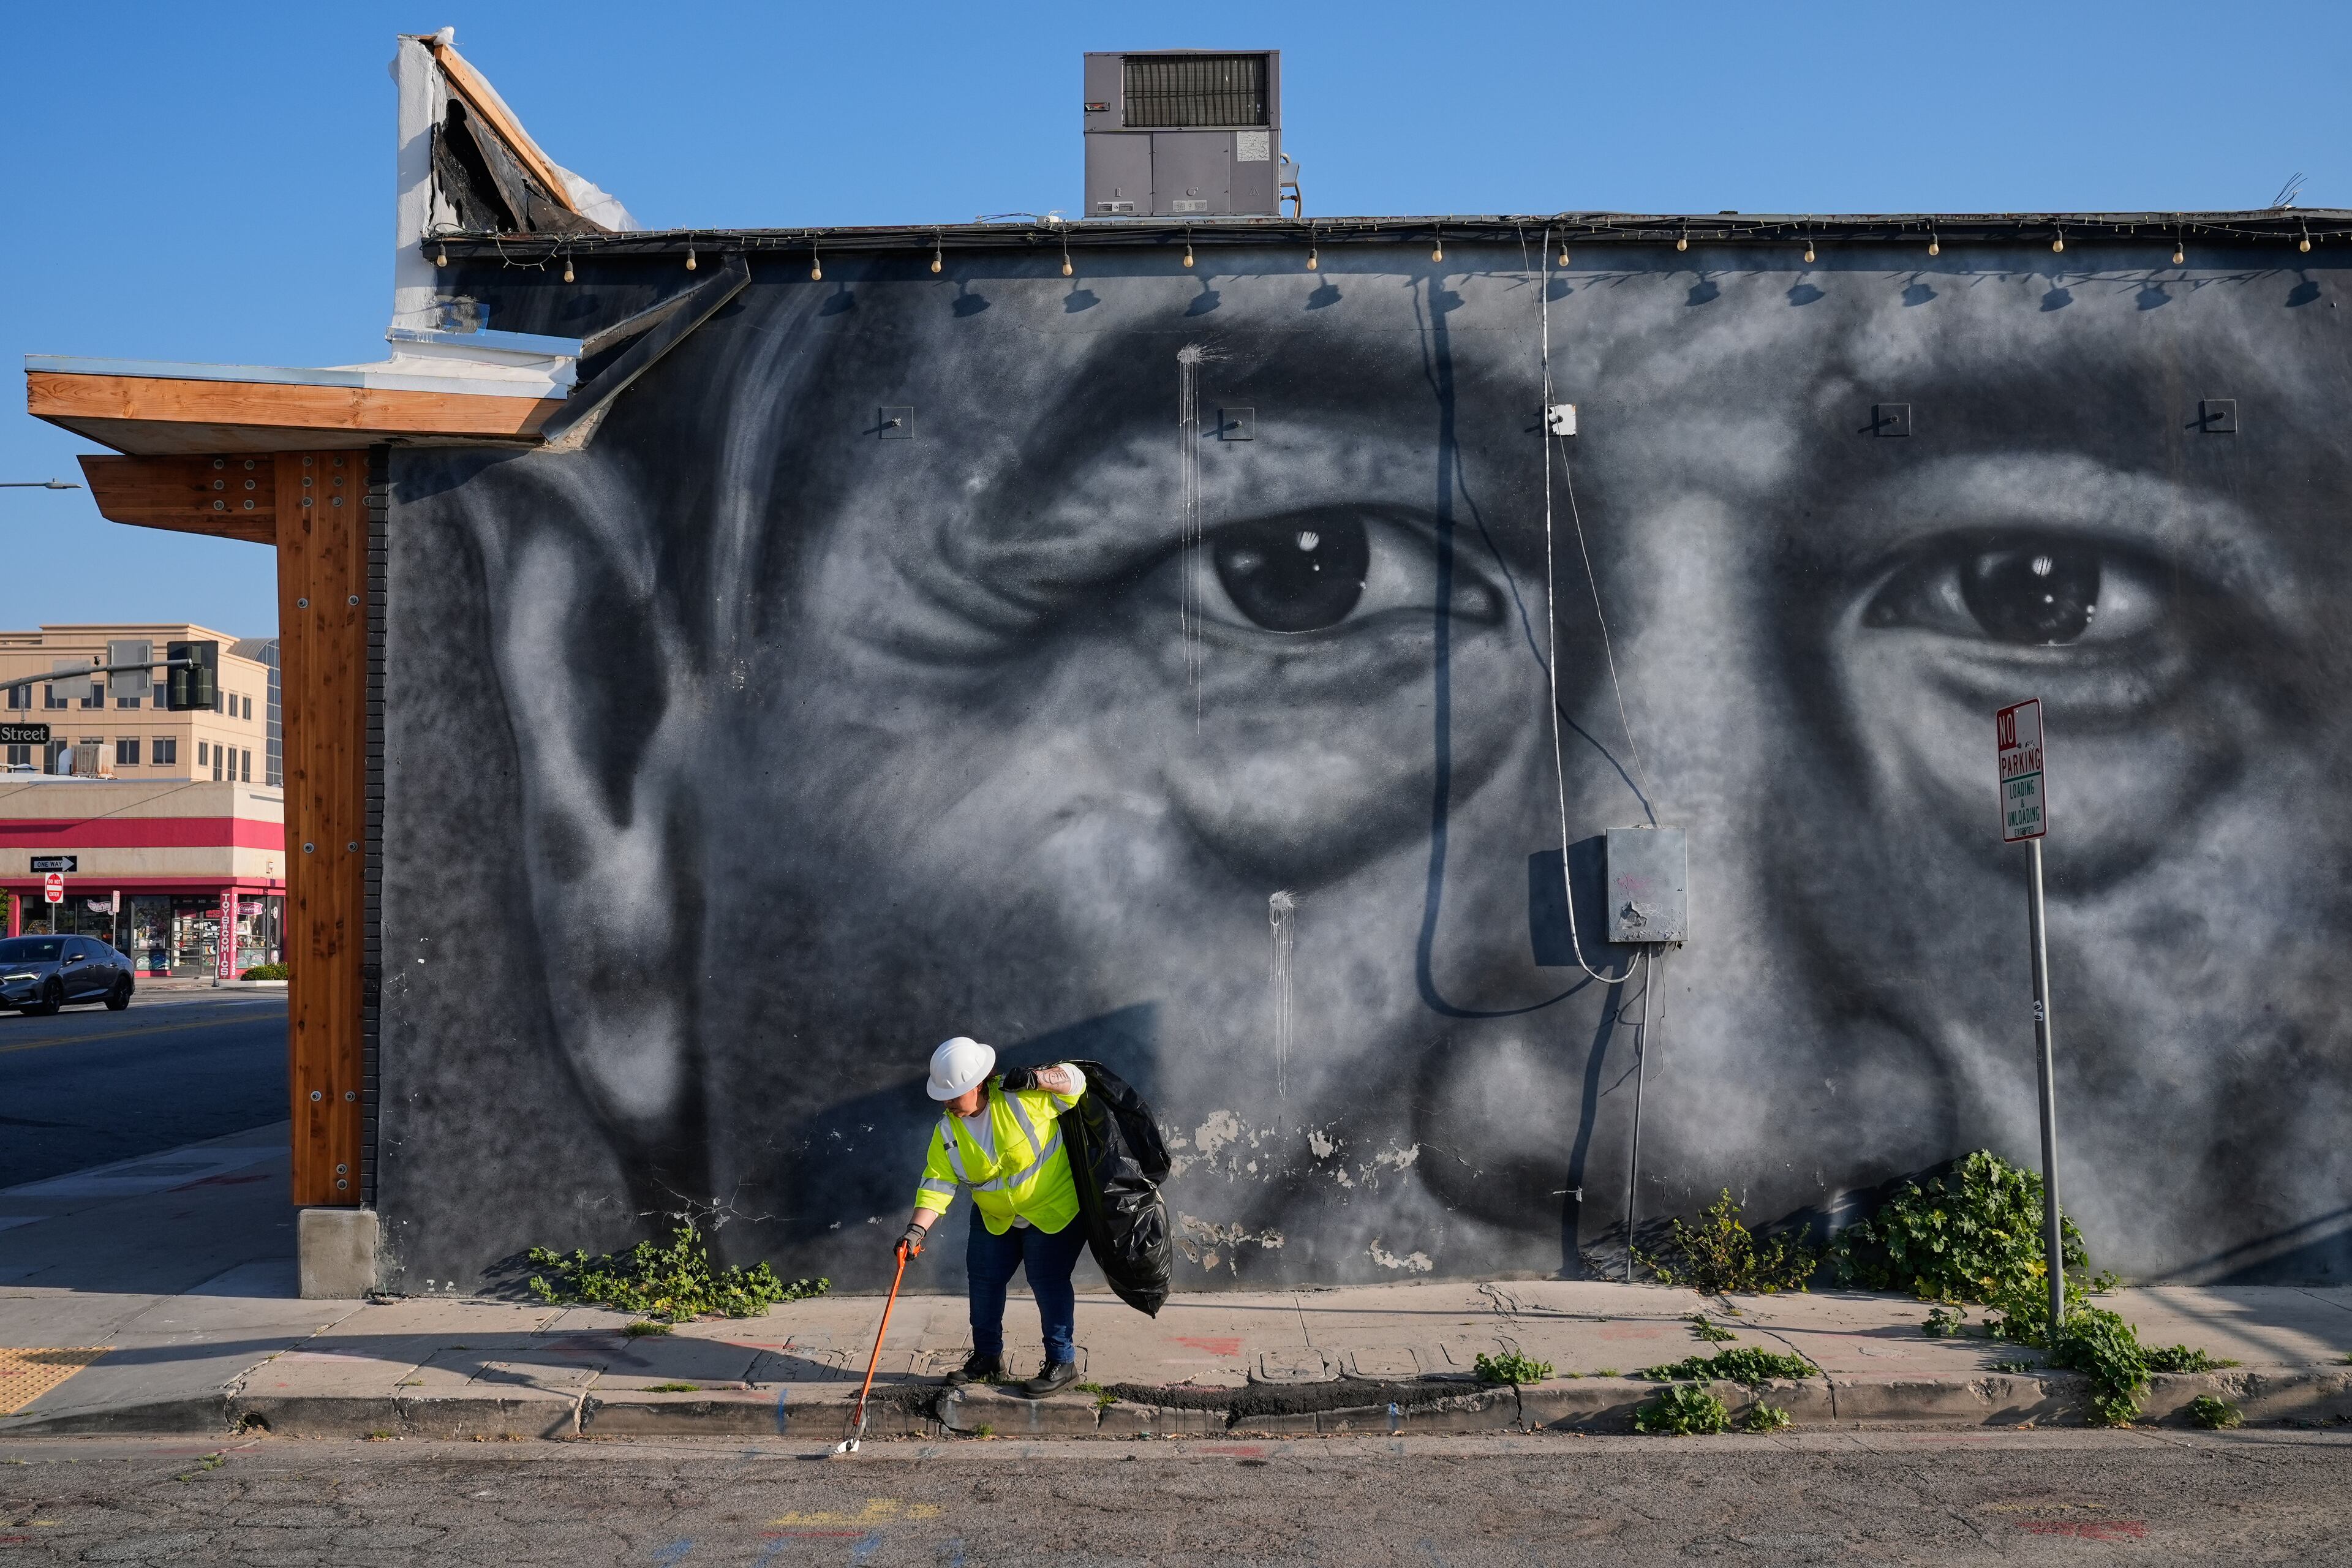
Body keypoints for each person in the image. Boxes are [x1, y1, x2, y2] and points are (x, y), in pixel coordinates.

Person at [900, 1036, 1090, 1396]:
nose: (948, 1103)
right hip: (995, 1217)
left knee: (1047, 1281)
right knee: (984, 1281)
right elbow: (938, 1183)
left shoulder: (1021, 1096)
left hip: (1050, 1210)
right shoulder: (947, 1131)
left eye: (954, 1094)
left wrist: (1039, 1079)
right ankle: (987, 1358)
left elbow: (1076, 1082)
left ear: (977, 1085)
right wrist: (915, 1231)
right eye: (943, 1095)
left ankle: (1062, 1363)